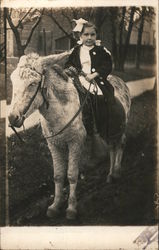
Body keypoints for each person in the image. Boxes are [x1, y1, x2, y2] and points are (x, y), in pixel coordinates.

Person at [64, 19, 116, 139]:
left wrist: (95, 74)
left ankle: (98, 127)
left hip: (95, 79)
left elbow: (107, 65)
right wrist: (70, 69)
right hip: (78, 78)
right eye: (86, 34)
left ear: (96, 36)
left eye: (92, 34)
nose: (89, 38)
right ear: (80, 36)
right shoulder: (77, 50)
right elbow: (68, 63)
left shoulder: (101, 50)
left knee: (100, 97)